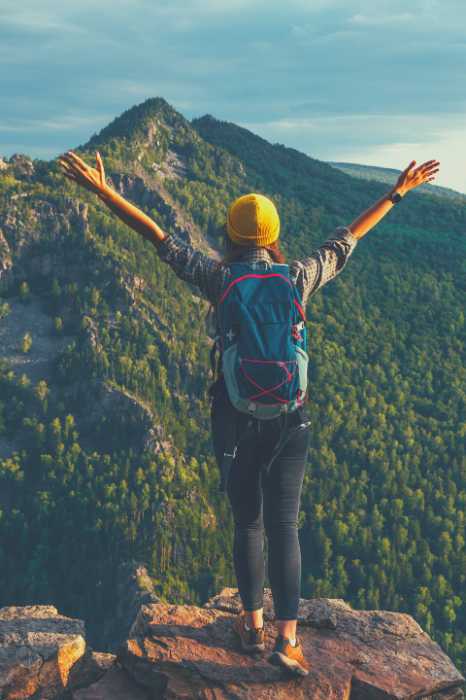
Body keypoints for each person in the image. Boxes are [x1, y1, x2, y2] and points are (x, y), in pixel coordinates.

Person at [58, 149, 439, 676]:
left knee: (248, 523)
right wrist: (397, 192)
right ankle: (288, 640)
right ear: (274, 235)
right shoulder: (297, 276)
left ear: (230, 235)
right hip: (291, 417)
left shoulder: (219, 279)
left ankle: (252, 626)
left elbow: (158, 237)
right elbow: (347, 239)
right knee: (285, 523)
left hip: (234, 417)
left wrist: (105, 193)